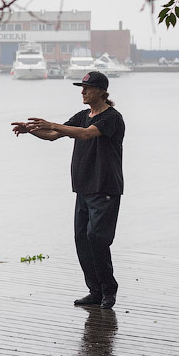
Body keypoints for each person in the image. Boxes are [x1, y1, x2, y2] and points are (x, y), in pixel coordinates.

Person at [13, 70, 125, 309]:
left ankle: (108, 290)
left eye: (87, 88)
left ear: (102, 92)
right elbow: (54, 135)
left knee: (97, 238)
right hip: (83, 188)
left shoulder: (111, 118)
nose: (83, 92)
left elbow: (85, 135)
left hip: (105, 188)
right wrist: (30, 130)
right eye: (81, 88)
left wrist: (52, 124)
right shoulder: (83, 115)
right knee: (82, 240)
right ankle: (94, 291)